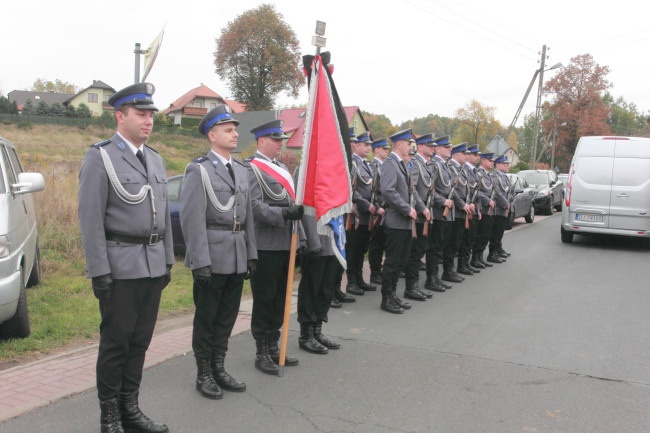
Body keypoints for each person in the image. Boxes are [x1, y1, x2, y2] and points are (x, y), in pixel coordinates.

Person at [78, 82, 172, 433]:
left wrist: (167, 261)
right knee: (116, 343)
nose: (148, 121)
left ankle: (130, 408)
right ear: (120, 116)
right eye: (141, 114)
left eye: (151, 115)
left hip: (151, 265)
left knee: (140, 341)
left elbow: (162, 217)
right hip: (120, 266)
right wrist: (99, 270)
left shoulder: (156, 159)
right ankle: (110, 416)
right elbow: (90, 218)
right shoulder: (100, 157)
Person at [180, 105, 257, 400]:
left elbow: (247, 215)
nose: (235, 133)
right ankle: (204, 374)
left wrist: (251, 254)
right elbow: (192, 219)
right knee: (207, 317)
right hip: (212, 255)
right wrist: (200, 261)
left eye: (235, 129)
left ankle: (219, 368)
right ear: (212, 135)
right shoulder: (197, 169)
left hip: (236, 253)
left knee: (227, 316)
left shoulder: (240, 170)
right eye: (228, 129)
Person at [245, 119, 303, 375]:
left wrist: (299, 238)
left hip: (285, 242)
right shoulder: (251, 169)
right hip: (265, 244)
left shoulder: (282, 168)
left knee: (281, 299)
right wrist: (284, 215)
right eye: (275, 140)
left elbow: (292, 203)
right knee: (265, 299)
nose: (280, 144)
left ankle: (274, 345)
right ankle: (261, 350)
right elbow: (255, 208)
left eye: (281, 140)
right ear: (261, 141)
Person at [294, 167, 341, 354]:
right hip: (316, 240)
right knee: (311, 288)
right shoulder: (306, 167)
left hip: (332, 239)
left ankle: (317, 329)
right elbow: (303, 207)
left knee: (326, 288)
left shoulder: (332, 166)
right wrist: (310, 241)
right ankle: (306, 334)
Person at [378, 129, 419, 314]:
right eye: (408, 143)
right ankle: (386, 298)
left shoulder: (400, 164)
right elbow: (388, 191)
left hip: (404, 222)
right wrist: (407, 208)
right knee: (393, 262)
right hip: (395, 221)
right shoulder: (389, 164)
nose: (410, 147)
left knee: (401, 260)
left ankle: (393, 294)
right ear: (399, 144)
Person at [345, 130, 378, 297]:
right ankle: (351, 282)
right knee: (353, 249)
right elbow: (351, 190)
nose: (368, 148)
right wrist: (366, 204)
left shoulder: (365, 164)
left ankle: (359, 279)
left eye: (370, 145)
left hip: (367, 215)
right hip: (357, 214)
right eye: (365, 145)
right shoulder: (352, 163)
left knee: (361, 249)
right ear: (356, 146)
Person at [403, 134, 435, 300]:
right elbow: (412, 190)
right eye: (429, 146)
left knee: (420, 251)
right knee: (415, 254)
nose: (432, 148)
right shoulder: (415, 165)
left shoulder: (427, 165)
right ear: (420, 147)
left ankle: (414, 285)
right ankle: (411, 287)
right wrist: (422, 209)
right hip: (419, 216)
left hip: (426, 216)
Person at [424, 135, 454, 293]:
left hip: (445, 211)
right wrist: (442, 201)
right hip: (437, 211)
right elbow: (430, 189)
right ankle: (431, 278)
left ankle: (435, 277)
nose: (450, 149)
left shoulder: (445, 165)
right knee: (434, 247)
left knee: (439, 246)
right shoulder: (435, 165)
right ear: (439, 148)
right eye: (447, 147)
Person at [443, 143, 471, 283]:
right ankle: (448, 271)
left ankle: (451, 269)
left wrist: (468, 203)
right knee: (452, 242)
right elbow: (452, 192)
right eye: (464, 153)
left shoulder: (462, 169)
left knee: (457, 242)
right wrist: (462, 204)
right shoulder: (451, 168)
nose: (467, 156)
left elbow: (466, 190)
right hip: (456, 210)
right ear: (455, 154)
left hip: (462, 211)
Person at [367, 138, 390, 285]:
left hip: (386, 209)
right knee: (376, 243)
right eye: (383, 148)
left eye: (387, 148)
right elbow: (372, 190)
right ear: (376, 150)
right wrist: (377, 206)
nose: (386, 151)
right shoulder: (374, 166)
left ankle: (379, 270)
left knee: (383, 242)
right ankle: (375, 272)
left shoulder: (385, 166)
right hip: (378, 210)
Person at [458, 144, 483, 274]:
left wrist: (477, 209)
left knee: (470, 239)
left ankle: (466, 263)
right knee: (465, 239)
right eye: (475, 155)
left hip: (473, 208)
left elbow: (476, 192)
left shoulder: (474, 171)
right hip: (466, 209)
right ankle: (462, 265)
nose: (477, 157)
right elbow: (466, 191)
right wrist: (470, 204)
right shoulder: (465, 170)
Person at [472, 152, 496, 268]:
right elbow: (477, 192)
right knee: (480, 235)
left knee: (485, 235)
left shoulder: (489, 175)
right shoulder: (479, 173)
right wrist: (488, 200)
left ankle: (480, 257)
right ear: (483, 161)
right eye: (490, 161)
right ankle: (475, 258)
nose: (492, 163)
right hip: (483, 209)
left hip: (489, 210)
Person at [488, 155, 512, 263]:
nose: (507, 165)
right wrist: (505, 202)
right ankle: (492, 253)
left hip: (504, 208)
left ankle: (498, 249)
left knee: (500, 232)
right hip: (498, 208)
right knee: (495, 233)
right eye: (504, 163)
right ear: (497, 165)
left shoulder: (505, 176)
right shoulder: (494, 176)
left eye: (507, 164)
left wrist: (509, 201)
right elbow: (496, 192)